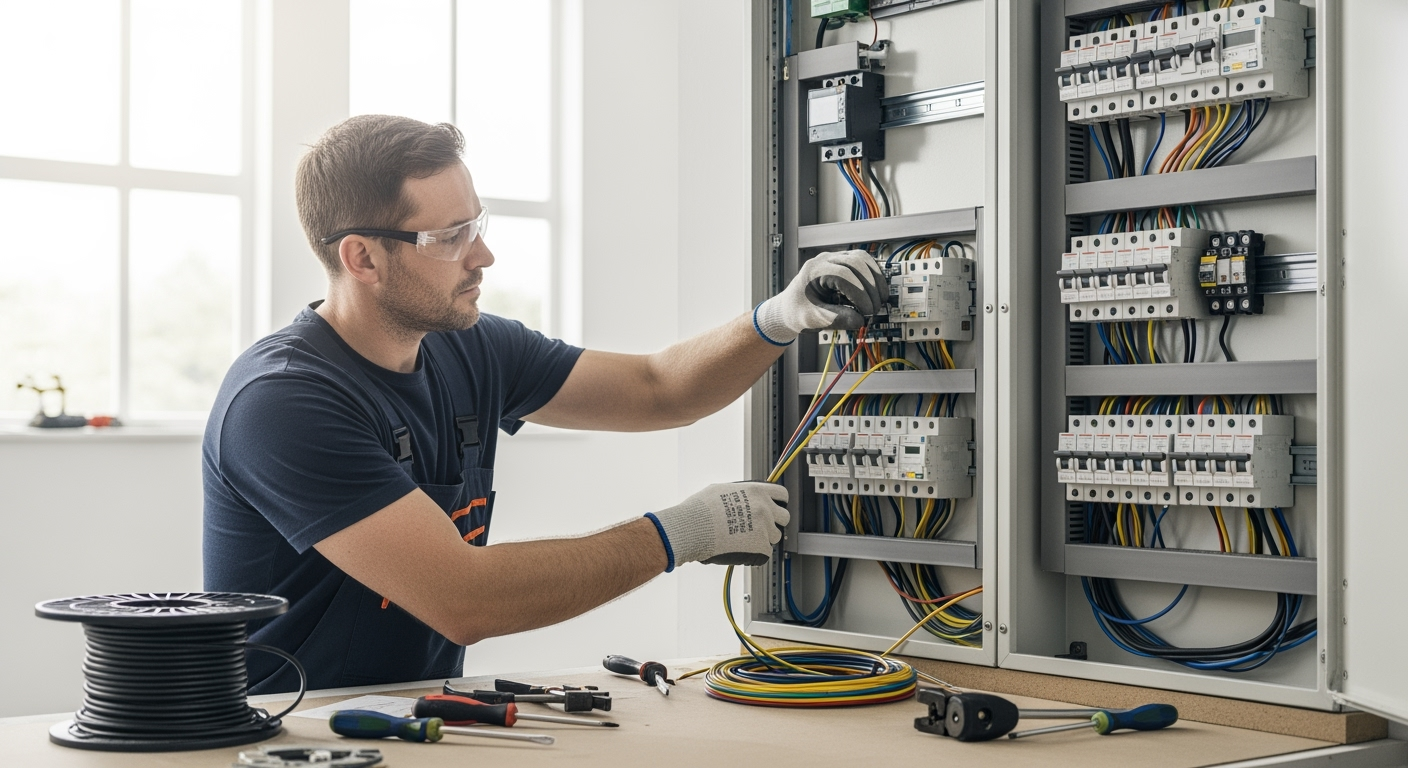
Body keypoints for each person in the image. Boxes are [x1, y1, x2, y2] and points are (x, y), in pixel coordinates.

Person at [202, 115, 885, 693]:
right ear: (362, 258)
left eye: (476, 224)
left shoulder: (470, 347)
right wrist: (682, 532)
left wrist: (779, 317)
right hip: (292, 739)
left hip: (418, 717)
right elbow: (465, 599)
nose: (485, 255)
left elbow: (658, 388)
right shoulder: (283, 402)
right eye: (450, 239)